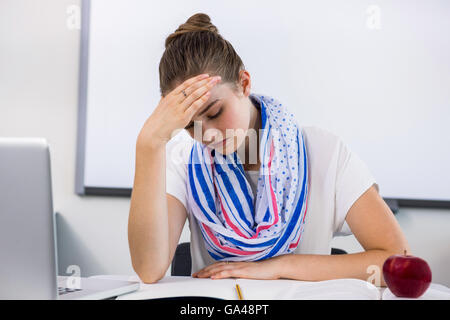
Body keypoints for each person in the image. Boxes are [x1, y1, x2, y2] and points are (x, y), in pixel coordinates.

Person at [128, 13, 410, 286]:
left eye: (214, 113)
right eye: (190, 125)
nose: (207, 135)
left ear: (244, 83)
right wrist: (149, 143)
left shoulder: (325, 152)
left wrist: (278, 267)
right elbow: (149, 270)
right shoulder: (182, 159)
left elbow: (397, 263)